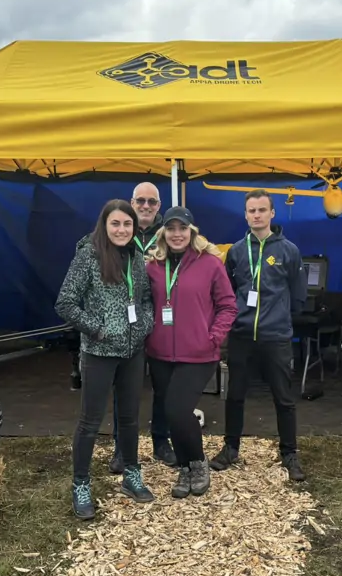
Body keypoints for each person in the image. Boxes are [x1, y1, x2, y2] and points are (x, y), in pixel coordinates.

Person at [55, 199, 156, 520]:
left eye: (127, 224)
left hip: (132, 351)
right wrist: (97, 330)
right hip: (99, 353)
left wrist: (144, 324)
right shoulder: (89, 256)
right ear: (104, 225)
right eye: (116, 223)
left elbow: (145, 298)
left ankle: (131, 474)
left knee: (129, 418)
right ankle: (81, 484)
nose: (122, 230)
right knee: (90, 421)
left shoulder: (136, 256)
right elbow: (65, 303)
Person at [208, 189, 308, 481]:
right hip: (241, 335)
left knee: (283, 398)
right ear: (245, 215)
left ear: (272, 213)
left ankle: (289, 453)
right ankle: (231, 448)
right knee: (235, 395)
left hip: (275, 336)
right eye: (252, 210)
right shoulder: (237, 251)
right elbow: (228, 293)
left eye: (262, 210)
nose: (257, 215)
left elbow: (298, 295)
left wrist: (280, 320)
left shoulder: (289, 250)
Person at [144, 206, 238, 498]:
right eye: (171, 229)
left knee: (178, 409)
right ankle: (185, 467)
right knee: (171, 414)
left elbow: (228, 305)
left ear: (192, 232)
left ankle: (197, 463)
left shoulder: (210, 264)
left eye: (182, 228)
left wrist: (213, 337)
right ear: (163, 233)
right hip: (160, 353)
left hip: (199, 353)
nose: (177, 234)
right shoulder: (153, 266)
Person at [107, 182, 178, 473]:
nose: (146, 206)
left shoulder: (170, 233)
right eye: (141, 201)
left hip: (162, 320)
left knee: (164, 386)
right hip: (127, 322)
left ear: (159, 205)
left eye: (152, 201)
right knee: (124, 389)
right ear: (132, 202)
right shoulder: (122, 231)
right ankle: (122, 448)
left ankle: (162, 441)